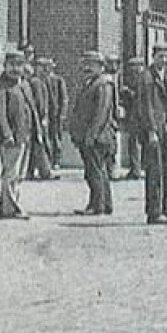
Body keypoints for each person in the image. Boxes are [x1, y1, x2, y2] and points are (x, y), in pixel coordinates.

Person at [126, 46, 167, 223]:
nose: (164, 61)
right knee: (155, 171)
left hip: (164, 128)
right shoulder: (147, 78)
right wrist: (151, 130)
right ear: (153, 57)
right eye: (161, 57)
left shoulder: (162, 77)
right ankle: (154, 212)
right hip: (153, 129)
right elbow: (146, 106)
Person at [0, 51, 36, 219]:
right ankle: (11, 209)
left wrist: (37, 132)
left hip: (25, 135)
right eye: (12, 65)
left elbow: (32, 110)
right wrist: (6, 134)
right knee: (10, 173)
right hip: (10, 138)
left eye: (19, 65)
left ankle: (8, 205)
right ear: (5, 66)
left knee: (19, 174)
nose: (15, 69)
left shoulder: (24, 86)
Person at [68, 51, 117, 215]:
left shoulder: (102, 85)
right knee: (95, 170)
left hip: (98, 136)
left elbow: (101, 112)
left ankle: (98, 205)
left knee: (95, 171)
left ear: (101, 67)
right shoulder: (92, 83)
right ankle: (102, 203)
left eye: (92, 64)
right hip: (90, 135)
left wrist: (92, 134)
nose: (87, 67)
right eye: (85, 64)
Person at [23, 57, 55, 181]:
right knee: (39, 144)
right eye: (44, 67)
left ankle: (34, 170)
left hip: (39, 118)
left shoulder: (39, 81)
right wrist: (42, 117)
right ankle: (44, 170)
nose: (47, 70)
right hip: (38, 118)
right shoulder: (37, 82)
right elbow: (40, 102)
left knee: (37, 144)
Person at [38, 57, 68, 176]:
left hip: (56, 114)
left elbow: (64, 98)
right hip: (45, 114)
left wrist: (62, 114)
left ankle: (56, 160)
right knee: (46, 138)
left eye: (47, 67)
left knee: (56, 137)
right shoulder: (41, 81)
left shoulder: (58, 80)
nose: (46, 69)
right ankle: (47, 161)